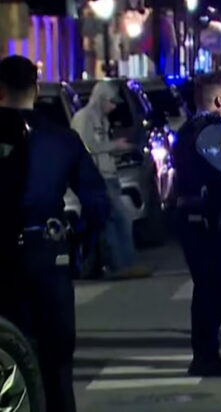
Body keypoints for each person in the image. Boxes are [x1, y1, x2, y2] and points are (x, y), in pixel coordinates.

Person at [0, 55, 110, 412]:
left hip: (3, 259)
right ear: (35, 89)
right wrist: (77, 243)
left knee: (7, 357)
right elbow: (97, 203)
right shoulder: (61, 139)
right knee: (57, 361)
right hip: (49, 255)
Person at [172, 73, 221, 377]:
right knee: (216, 290)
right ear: (219, 100)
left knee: (207, 288)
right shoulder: (216, 132)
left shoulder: (186, 131)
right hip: (213, 222)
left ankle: (206, 353)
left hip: (192, 219)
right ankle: (206, 355)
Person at [70, 81, 150, 279]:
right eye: (111, 102)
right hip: (98, 177)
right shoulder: (84, 118)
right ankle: (122, 264)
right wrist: (113, 146)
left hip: (109, 175)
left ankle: (122, 263)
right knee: (120, 218)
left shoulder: (102, 119)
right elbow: (84, 147)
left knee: (115, 221)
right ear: (101, 99)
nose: (113, 107)